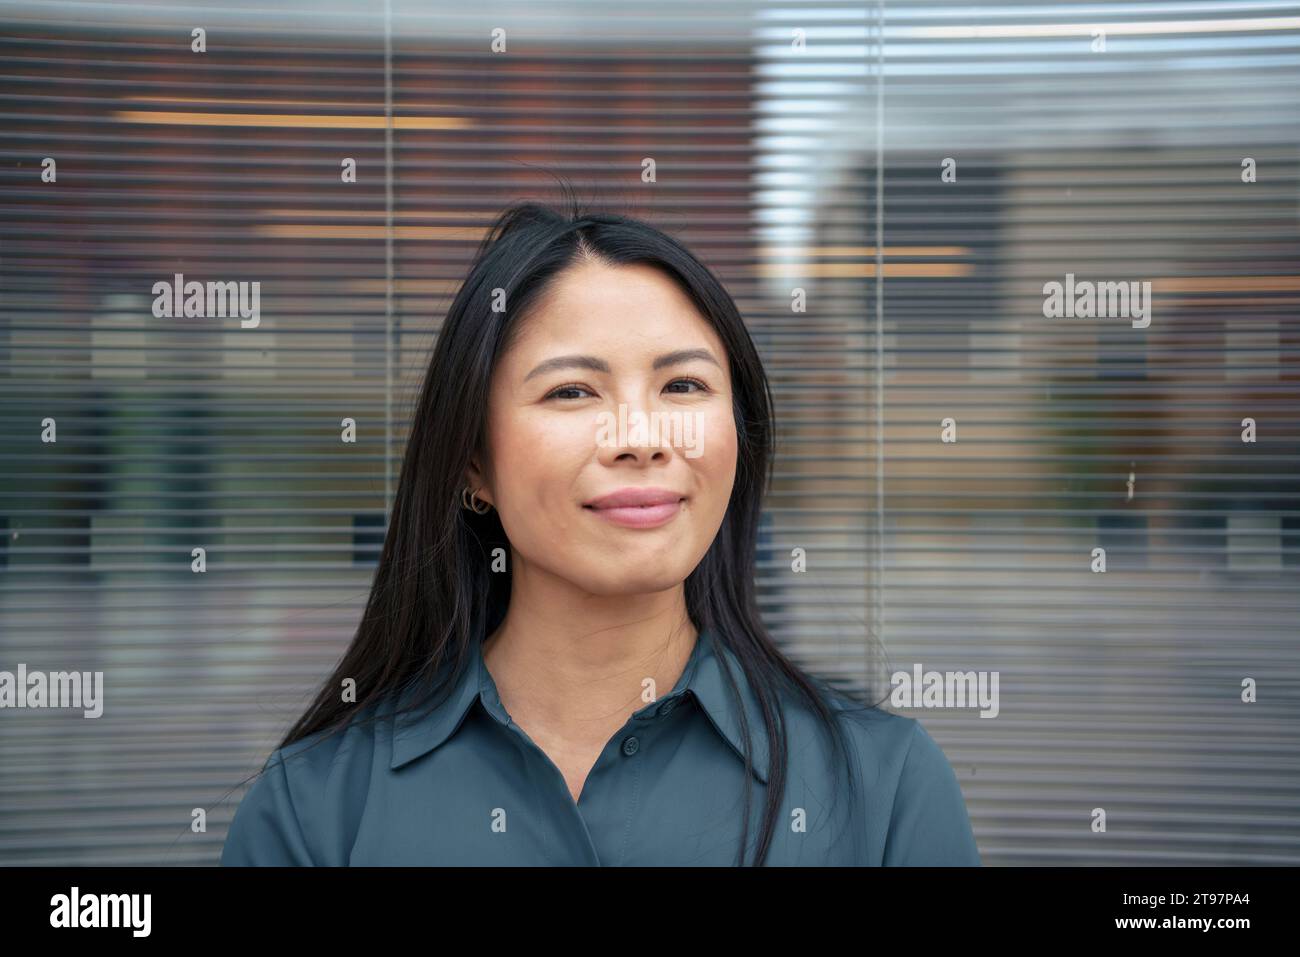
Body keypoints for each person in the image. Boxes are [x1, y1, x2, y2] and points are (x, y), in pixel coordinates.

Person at [220, 194, 981, 866]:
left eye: (682, 385)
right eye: (573, 390)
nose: (640, 436)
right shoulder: (314, 813)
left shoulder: (886, 791)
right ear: (473, 462)